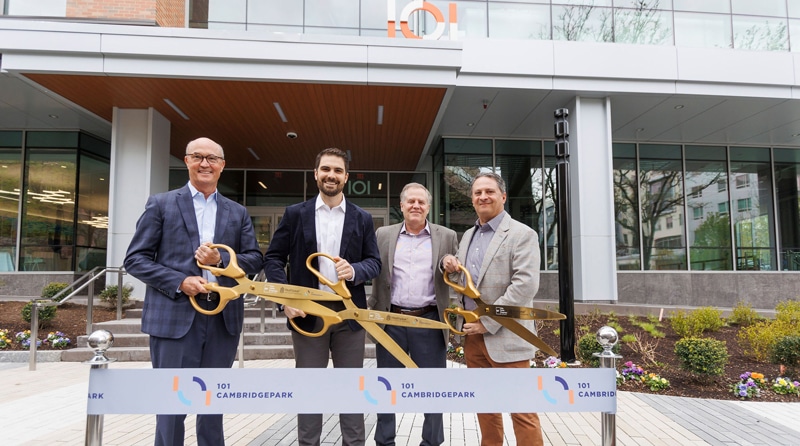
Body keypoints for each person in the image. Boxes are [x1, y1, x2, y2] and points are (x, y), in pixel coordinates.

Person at [124, 137, 263, 446]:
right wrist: (180, 281)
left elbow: (254, 259)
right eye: (198, 157)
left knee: (212, 404)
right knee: (171, 406)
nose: (205, 163)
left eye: (212, 158)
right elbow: (135, 259)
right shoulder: (161, 204)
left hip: (221, 319)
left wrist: (221, 260)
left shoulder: (236, 212)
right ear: (186, 161)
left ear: (222, 166)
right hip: (174, 319)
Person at [263, 147, 381, 446]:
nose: (331, 175)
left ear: (346, 177)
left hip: (348, 316)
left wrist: (353, 270)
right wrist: (284, 299)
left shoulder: (363, 218)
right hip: (307, 316)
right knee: (309, 390)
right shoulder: (295, 214)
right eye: (326, 169)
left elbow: (374, 262)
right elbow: (273, 258)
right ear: (316, 174)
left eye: (337, 170)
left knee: (351, 391)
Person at [441, 172, 543, 446]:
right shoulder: (468, 236)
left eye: (489, 191)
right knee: (486, 408)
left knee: (522, 412)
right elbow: (464, 281)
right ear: (472, 199)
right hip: (473, 338)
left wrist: (489, 322)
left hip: (507, 337)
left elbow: (524, 286)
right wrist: (449, 265)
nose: (483, 197)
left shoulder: (522, 234)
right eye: (477, 193)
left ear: (503, 197)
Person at [368, 183, 458, 446]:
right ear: (402, 206)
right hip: (390, 320)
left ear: (428, 207)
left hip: (429, 320)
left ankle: (431, 442)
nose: (416, 206)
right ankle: (385, 441)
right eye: (411, 201)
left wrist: (450, 264)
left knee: (433, 389)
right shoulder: (383, 234)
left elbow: (454, 272)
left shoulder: (447, 236)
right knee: (387, 386)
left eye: (421, 202)